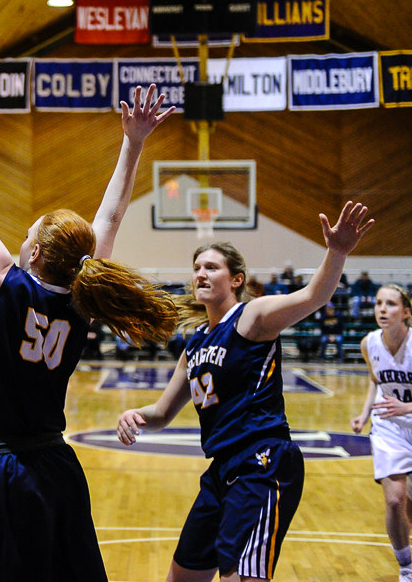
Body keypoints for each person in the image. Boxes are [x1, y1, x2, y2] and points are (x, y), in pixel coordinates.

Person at [0, 30, 177, 582]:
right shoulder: (83, 300)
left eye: (25, 233)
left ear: (31, 251)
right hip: (55, 466)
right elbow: (113, 219)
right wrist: (134, 143)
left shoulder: (1, 284)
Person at [117, 201, 373, 582]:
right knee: (181, 577)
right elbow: (163, 412)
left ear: (236, 279)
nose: (200, 274)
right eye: (197, 268)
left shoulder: (251, 317)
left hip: (261, 461)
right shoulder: (194, 345)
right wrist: (135, 415)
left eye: (211, 267)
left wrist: (336, 253)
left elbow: (313, 297)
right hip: (222, 469)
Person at [350, 283, 412, 582]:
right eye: (378, 303)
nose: (382, 309)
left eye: (390, 304)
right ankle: (406, 567)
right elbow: (376, 381)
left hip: (408, 416)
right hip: (389, 427)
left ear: (406, 312)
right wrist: (364, 414)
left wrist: (408, 407)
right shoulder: (369, 343)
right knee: (395, 500)